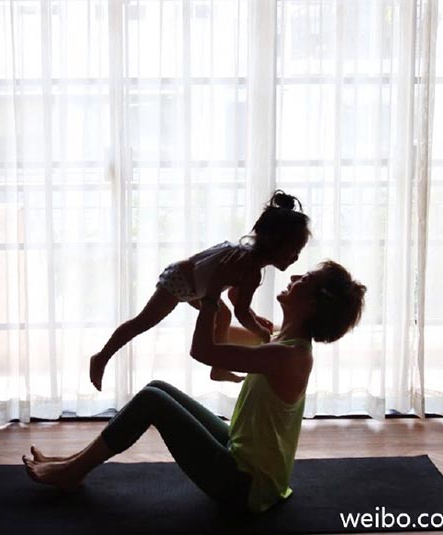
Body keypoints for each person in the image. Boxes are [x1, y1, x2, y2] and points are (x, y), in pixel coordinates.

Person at [26, 260, 366, 514]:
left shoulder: (287, 355)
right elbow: (219, 339)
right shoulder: (281, 341)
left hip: (245, 488)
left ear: (313, 304)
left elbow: (203, 351)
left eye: (304, 279)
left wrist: (213, 297)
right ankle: (73, 463)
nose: (293, 277)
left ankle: (72, 472)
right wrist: (202, 294)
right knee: (158, 387)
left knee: (151, 401)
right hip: (243, 458)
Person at [89, 190, 312, 390]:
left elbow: (235, 297)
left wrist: (253, 317)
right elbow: (241, 312)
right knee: (143, 322)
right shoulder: (251, 269)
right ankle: (101, 357)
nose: (296, 257)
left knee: (222, 315)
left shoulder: (245, 255)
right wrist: (260, 332)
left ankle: (218, 369)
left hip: (191, 282)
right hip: (180, 283)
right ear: (274, 244)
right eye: (293, 250)